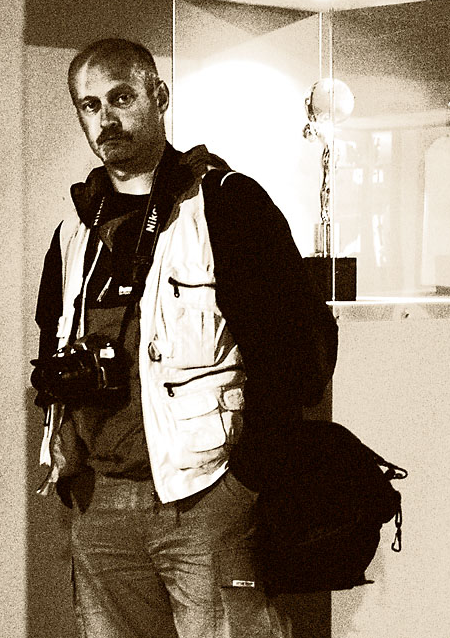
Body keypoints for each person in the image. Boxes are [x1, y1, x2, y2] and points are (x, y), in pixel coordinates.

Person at [31, 38, 338, 638]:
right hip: (100, 502)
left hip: (204, 497)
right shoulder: (75, 228)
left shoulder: (226, 206)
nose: (106, 118)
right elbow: (52, 347)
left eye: (122, 98)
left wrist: (247, 480)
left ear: (159, 96)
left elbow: (301, 354)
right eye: (90, 105)